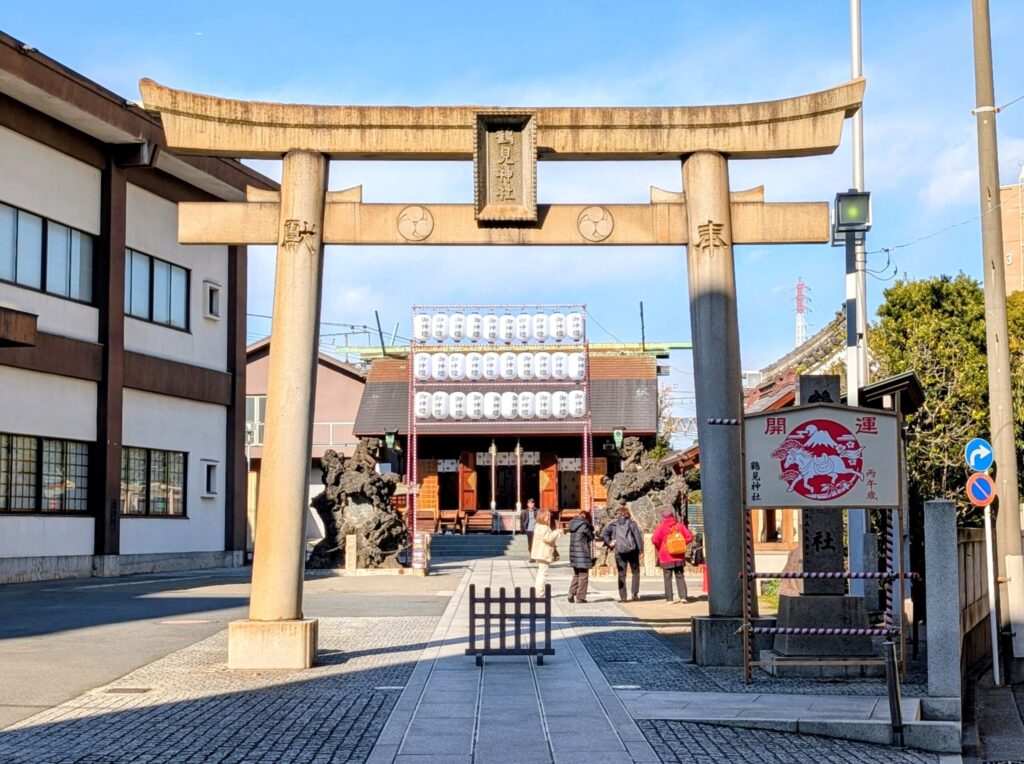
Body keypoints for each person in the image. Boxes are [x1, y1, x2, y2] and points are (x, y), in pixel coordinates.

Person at [651, 508, 694, 603]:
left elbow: (654, 539)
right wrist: (682, 544)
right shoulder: (680, 526)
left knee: (667, 578)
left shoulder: (661, 527)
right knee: (680, 576)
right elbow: (689, 537)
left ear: (663, 517)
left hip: (666, 556)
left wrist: (661, 547)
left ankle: (669, 599)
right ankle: (683, 597)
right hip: (679, 556)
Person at [602, 505, 644, 602]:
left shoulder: (614, 525)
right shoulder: (632, 523)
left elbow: (604, 533)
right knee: (635, 572)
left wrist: (610, 542)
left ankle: (623, 597)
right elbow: (637, 536)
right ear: (627, 514)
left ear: (619, 515)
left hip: (619, 551)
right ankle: (634, 593)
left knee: (622, 573)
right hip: (632, 551)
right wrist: (641, 550)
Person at [530, 509, 563, 592]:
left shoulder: (539, 526)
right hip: (542, 553)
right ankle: (539, 592)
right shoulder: (542, 527)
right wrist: (557, 532)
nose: (548, 518)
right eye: (547, 516)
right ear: (543, 517)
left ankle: (538, 591)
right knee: (543, 573)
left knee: (541, 572)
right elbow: (548, 538)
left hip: (541, 552)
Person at [567, 511, 595, 603]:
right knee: (583, 575)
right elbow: (591, 537)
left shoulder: (573, 524)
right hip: (582, 553)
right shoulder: (584, 525)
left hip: (574, 554)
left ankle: (571, 593)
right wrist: (592, 528)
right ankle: (580, 597)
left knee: (576, 574)